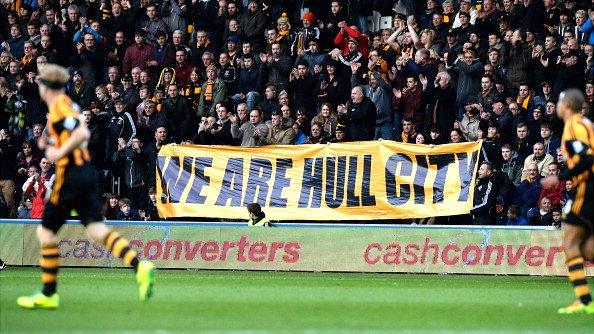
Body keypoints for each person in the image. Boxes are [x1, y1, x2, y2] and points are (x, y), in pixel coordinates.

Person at [16, 64, 155, 310]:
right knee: (95, 229)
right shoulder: (66, 104)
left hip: (70, 176)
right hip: (86, 174)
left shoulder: (59, 105)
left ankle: (49, 294)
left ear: (46, 86)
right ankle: (139, 265)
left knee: (46, 233)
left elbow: (81, 133)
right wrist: (49, 137)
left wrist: (58, 150)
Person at [541, 88, 594, 314]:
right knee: (585, 247)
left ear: (566, 105)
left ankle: (584, 301)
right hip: (587, 187)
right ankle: (584, 301)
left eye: (559, 103)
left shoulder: (573, 126)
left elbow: (587, 158)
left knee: (571, 242)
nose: (556, 106)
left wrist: (559, 177)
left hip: (587, 188)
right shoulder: (586, 124)